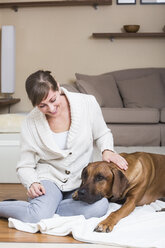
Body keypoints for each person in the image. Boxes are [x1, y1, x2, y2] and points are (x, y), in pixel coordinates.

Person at [0, 70, 128, 223]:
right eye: (42, 105)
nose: (51, 109)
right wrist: (32, 182)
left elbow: (102, 134)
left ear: (58, 88)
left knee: (100, 207)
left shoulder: (87, 103)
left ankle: (46, 208)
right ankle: (40, 209)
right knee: (36, 216)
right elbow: (25, 165)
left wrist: (107, 150)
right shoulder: (30, 122)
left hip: (80, 181)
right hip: (48, 180)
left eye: (53, 100)